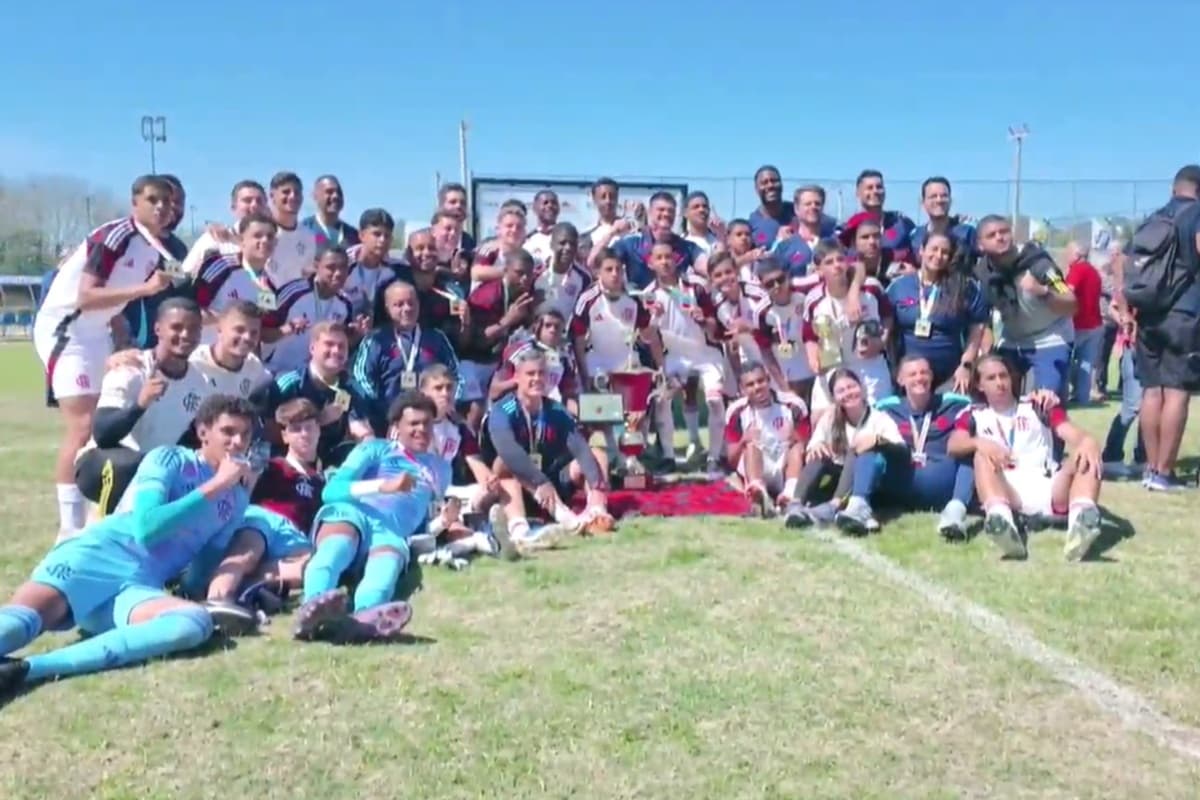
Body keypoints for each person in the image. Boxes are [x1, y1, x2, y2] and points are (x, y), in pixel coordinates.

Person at [0, 395, 257, 692]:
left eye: (245, 434)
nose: (238, 442)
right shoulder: (169, 459)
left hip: (137, 587)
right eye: (228, 432)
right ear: (203, 432)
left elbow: (202, 567)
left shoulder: (237, 499)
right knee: (21, 625)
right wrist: (216, 485)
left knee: (192, 622)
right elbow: (147, 528)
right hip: (96, 557)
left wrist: (214, 592)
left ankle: (28, 670)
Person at [33, 174, 176, 540]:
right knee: (82, 428)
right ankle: (68, 529)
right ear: (135, 204)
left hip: (97, 334)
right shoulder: (114, 235)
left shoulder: (153, 249)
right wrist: (146, 288)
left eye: (166, 201)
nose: (161, 207)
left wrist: (122, 340)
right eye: (152, 199)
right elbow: (86, 296)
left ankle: (99, 518)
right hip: (66, 330)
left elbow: (116, 303)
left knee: (104, 428)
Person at [292, 393, 446, 643]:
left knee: (383, 574)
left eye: (427, 423)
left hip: (391, 532)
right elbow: (331, 491)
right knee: (336, 549)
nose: (421, 430)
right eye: (413, 424)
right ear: (396, 427)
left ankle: (363, 619)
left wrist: (443, 521)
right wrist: (383, 486)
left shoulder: (440, 468)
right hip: (354, 513)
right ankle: (313, 608)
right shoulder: (374, 449)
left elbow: (424, 520)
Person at [947, 354, 1103, 561]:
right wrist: (979, 442)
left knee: (1087, 454)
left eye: (1003, 376)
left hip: (1050, 485)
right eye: (991, 378)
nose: (1000, 383)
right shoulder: (973, 414)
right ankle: (1001, 524)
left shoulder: (1038, 405)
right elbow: (954, 445)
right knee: (980, 457)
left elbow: (1073, 433)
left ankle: (1081, 524)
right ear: (980, 384)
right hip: (1008, 490)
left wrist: (1087, 442)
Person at [74, 298, 211, 516]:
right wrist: (140, 404)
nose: (185, 335)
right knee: (129, 465)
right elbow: (102, 434)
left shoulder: (199, 382)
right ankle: (103, 529)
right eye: (176, 327)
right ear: (158, 329)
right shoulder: (131, 369)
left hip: (154, 468)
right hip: (104, 463)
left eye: (193, 329)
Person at [483, 350, 611, 554]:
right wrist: (540, 482)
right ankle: (520, 529)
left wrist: (596, 485)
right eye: (530, 374)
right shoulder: (502, 410)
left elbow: (579, 446)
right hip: (516, 489)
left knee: (597, 453)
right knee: (504, 464)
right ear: (516, 377)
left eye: (541, 373)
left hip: (553, 481)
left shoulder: (555, 410)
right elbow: (508, 451)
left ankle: (597, 512)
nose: (536, 379)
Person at [1122, 164, 1200, 491]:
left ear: (1174, 189)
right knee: (1178, 391)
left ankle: (1152, 470)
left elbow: (1123, 260)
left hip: (1148, 314)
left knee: (1153, 391)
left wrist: (1125, 307)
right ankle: (1165, 473)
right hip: (1184, 313)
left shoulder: (1154, 217)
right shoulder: (1195, 213)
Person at [846, 356, 977, 539]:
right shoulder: (886, 407)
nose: (919, 378)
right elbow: (858, 438)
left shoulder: (955, 403)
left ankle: (955, 513)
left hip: (943, 489)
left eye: (924, 372)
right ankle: (859, 507)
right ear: (900, 380)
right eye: (912, 374)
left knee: (971, 449)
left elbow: (982, 415)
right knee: (869, 444)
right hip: (900, 485)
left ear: (931, 376)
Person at [571, 248, 667, 461]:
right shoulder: (587, 299)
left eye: (618, 269)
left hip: (626, 362)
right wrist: (583, 373)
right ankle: (612, 454)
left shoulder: (634, 299)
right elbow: (578, 339)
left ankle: (633, 455)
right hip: (598, 363)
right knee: (606, 410)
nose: (615, 274)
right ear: (598, 273)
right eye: (609, 269)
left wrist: (656, 320)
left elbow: (648, 337)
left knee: (636, 412)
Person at [642, 241, 728, 475]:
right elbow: (650, 338)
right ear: (650, 263)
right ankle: (669, 457)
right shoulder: (649, 295)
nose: (664, 262)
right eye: (658, 258)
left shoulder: (696, 287)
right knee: (661, 399)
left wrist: (703, 319)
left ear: (677, 259)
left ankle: (714, 457)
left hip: (706, 354)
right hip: (676, 357)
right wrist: (661, 368)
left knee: (714, 401)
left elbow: (717, 329)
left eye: (668, 257)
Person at [782, 368, 904, 531]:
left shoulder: (879, 418)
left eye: (851, 387)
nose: (848, 393)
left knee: (857, 448)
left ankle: (835, 506)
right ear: (834, 398)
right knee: (818, 453)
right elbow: (814, 443)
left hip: (866, 479)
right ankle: (795, 504)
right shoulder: (831, 418)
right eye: (841, 391)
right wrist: (816, 445)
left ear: (861, 388)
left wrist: (878, 441)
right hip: (836, 475)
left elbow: (901, 448)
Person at [974, 214, 1077, 402]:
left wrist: (1043, 291)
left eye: (1004, 231)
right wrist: (987, 352)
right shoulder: (982, 273)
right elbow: (983, 318)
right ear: (980, 245)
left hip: (1050, 338)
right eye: (992, 235)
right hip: (1012, 340)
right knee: (991, 396)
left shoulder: (1039, 263)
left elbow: (1071, 303)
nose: (1000, 237)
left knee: (1046, 401)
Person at [352, 281, 460, 436]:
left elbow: (456, 375)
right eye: (399, 304)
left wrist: (448, 403)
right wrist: (383, 409)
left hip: (430, 422)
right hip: (386, 422)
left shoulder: (436, 338)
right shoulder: (376, 340)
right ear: (387, 308)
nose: (407, 308)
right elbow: (360, 378)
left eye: (411, 303)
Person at [886, 231, 989, 391]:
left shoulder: (964, 288)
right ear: (922, 250)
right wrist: (893, 369)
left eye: (945, 252)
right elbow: (887, 331)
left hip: (950, 377)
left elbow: (976, 331)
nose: (938, 255)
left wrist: (966, 365)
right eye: (933, 249)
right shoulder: (899, 287)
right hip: (910, 377)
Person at [802, 241, 894, 413]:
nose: (836, 266)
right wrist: (814, 360)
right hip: (833, 366)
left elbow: (888, 316)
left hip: (869, 365)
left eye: (840, 259)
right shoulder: (814, 300)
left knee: (878, 419)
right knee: (822, 420)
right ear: (819, 270)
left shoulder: (871, 288)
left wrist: (882, 342)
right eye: (829, 262)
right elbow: (809, 336)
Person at [269, 321, 371, 466]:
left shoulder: (349, 387)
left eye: (341, 346)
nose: (336, 351)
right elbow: (268, 432)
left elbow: (359, 427)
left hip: (330, 464)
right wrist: (319, 421)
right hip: (288, 464)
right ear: (312, 348)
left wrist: (370, 442)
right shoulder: (289, 384)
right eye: (329, 344)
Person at [460, 249, 537, 426]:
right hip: (476, 357)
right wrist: (507, 321)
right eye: (519, 273)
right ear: (506, 270)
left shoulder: (526, 293)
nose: (524, 279)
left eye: (528, 274)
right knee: (476, 405)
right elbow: (476, 339)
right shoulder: (486, 295)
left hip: (503, 357)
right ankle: (471, 446)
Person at [724, 362, 810, 516]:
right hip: (755, 466)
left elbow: (808, 449)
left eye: (760, 381)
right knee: (751, 445)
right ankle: (758, 492)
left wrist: (794, 436)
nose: (757, 387)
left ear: (768, 380)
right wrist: (743, 439)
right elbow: (731, 460)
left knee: (796, 448)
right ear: (742, 389)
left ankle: (789, 495)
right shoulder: (736, 412)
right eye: (750, 384)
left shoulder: (793, 405)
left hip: (785, 465)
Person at [261, 244, 354, 374]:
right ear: (316, 266)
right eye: (331, 267)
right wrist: (287, 329)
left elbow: (340, 345)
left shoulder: (345, 304)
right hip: (276, 371)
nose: (338, 273)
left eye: (343, 267)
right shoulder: (293, 292)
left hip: (313, 377)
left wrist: (356, 334)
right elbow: (262, 334)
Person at [192, 212, 282, 342]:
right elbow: (191, 311)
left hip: (242, 359)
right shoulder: (220, 267)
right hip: (206, 352)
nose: (264, 240)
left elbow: (264, 330)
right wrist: (229, 318)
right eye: (257, 236)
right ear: (241, 240)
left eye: (270, 236)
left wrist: (269, 306)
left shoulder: (270, 284)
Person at [748, 256, 821, 399]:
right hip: (789, 365)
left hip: (817, 357)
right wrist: (783, 386)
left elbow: (827, 274)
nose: (777, 286)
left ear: (787, 276)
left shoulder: (803, 288)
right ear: (762, 286)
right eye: (769, 284)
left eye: (780, 280)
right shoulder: (761, 312)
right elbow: (766, 352)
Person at [610, 192, 704, 290]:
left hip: (674, 301)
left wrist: (721, 236)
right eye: (661, 209)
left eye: (671, 211)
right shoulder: (630, 244)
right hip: (638, 303)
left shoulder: (687, 247)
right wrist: (611, 233)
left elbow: (711, 269)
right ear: (650, 212)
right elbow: (597, 266)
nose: (666, 214)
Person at [493, 309, 581, 413]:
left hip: (547, 409)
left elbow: (568, 395)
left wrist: (581, 414)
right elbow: (494, 390)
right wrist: (520, 381)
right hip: (515, 405)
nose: (552, 330)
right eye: (548, 325)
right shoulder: (519, 350)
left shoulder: (564, 358)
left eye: (557, 327)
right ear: (538, 327)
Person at [180, 180, 268, 276]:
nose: (254, 205)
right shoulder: (214, 239)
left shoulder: (275, 243)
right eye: (247, 200)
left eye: (259, 201)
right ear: (233, 207)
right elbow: (182, 275)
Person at [1100, 311, 1146, 478]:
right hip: (1135, 349)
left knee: (1149, 409)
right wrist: (1126, 321)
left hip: (1157, 350)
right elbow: (1113, 306)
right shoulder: (1132, 289)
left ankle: (1142, 458)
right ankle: (1111, 456)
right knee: (1132, 407)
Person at [1063, 241, 1104, 405]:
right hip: (1095, 323)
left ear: (1077, 255)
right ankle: (1082, 396)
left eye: (1068, 253)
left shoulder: (1077, 270)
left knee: (1065, 360)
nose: (1066, 256)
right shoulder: (1094, 272)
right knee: (1086, 363)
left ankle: (1063, 394)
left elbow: (1067, 292)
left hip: (1077, 324)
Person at [344, 208, 399, 321]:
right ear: (361, 235)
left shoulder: (396, 269)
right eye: (377, 234)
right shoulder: (343, 263)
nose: (382, 240)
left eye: (387, 236)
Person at [909, 177, 977, 267]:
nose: (939, 200)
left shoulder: (967, 232)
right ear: (922, 202)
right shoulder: (915, 236)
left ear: (950, 201)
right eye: (933, 196)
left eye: (944, 196)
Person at [266, 171, 317, 286]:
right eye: (286, 192)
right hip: (264, 300)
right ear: (272, 196)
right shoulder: (262, 233)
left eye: (297, 192)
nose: (292, 196)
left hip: (295, 300)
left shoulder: (308, 236)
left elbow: (306, 274)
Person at [532, 222, 592, 321]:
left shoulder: (584, 278)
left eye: (572, 244)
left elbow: (581, 316)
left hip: (563, 334)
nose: (568, 248)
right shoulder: (536, 271)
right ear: (552, 245)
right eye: (562, 243)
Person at [772, 185, 835, 276]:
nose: (813, 207)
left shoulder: (834, 242)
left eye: (817, 203)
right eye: (808, 204)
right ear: (796, 209)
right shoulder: (784, 247)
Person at [302, 175, 359, 248]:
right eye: (329, 192)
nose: (335, 196)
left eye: (339, 192)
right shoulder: (304, 229)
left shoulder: (353, 234)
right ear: (315, 196)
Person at [748, 165, 793, 248]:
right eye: (764, 183)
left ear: (782, 184)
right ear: (756, 189)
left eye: (774, 181)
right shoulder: (751, 225)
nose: (770, 185)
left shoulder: (799, 213)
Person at [523, 189, 561, 265]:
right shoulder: (526, 240)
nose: (550, 205)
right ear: (534, 208)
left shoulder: (568, 238)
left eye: (554, 203)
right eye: (545, 203)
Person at [681, 190, 723, 257]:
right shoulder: (681, 243)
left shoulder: (719, 240)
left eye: (704, 206)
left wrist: (722, 235)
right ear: (685, 213)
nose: (701, 210)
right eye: (696, 207)